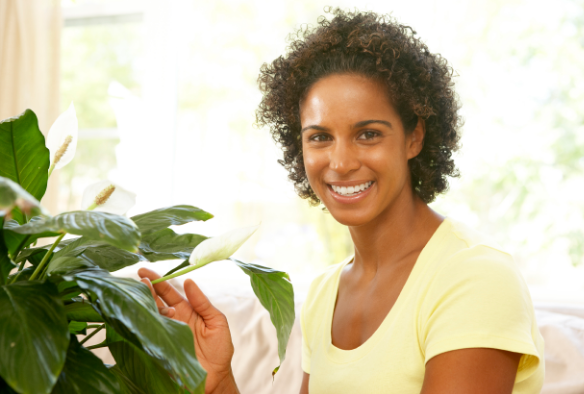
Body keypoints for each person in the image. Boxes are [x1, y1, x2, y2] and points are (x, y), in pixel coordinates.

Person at [139, 8, 545, 394]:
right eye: (320, 136)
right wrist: (218, 381)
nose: (341, 162)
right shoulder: (325, 293)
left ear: (414, 137)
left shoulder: (474, 277)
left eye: (368, 134)